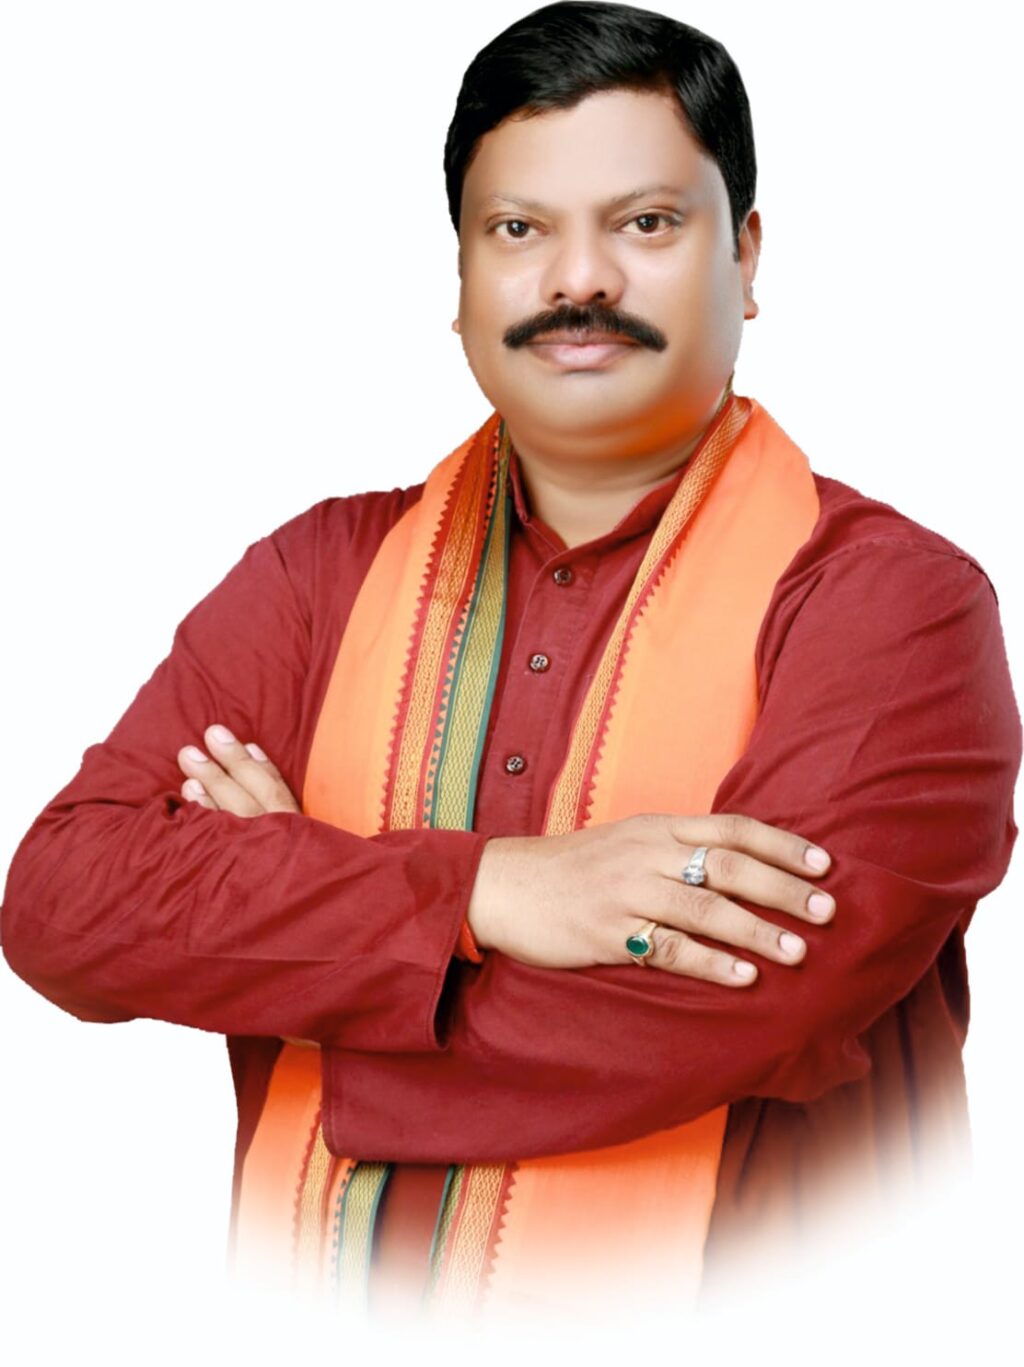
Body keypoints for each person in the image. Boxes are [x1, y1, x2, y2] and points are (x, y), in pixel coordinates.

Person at [1, 0, 1019, 1330]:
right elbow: (64, 904)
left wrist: (299, 952)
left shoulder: (889, 604)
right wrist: (489, 891)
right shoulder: (316, 577)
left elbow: (754, 1000)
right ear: (464, 277)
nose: (576, 281)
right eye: (518, 230)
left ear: (747, 256)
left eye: (643, 223)